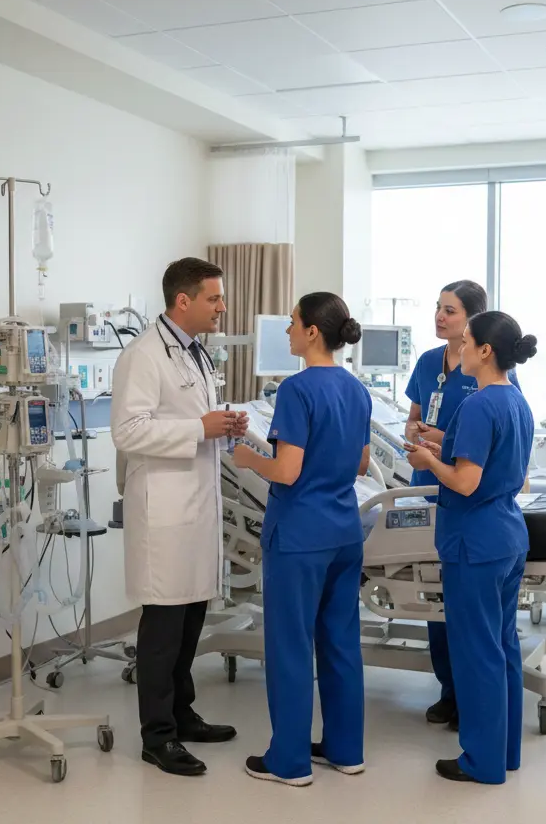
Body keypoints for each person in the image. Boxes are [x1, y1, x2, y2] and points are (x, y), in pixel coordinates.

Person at [111, 257, 249, 777]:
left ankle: (182, 712)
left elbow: (191, 419)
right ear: (183, 301)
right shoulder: (144, 355)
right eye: (214, 298)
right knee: (163, 628)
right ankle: (157, 735)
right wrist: (199, 427)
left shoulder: (193, 354)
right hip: (164, 511)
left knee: (191, 619)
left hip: (195, 508)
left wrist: (221, 424)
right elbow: (128, 432)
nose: (223, 306)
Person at [232, 293, 372, 787]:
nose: (288, 330)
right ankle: (345, 749)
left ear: (313, 332)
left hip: (299, 536)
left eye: (293, 322)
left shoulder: (295, 390)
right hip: (344, 532)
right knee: (339, 642)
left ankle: (289, 762)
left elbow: (286, 471)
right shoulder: (357, 390)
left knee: (291, 646)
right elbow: (359, 464)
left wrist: (249, 459)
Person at [404, 311, 536, 785]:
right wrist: (441, 448)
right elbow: (509, 471)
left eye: (466, 341)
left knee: (477, 652)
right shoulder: (515, 401)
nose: (457, 347)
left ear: (484, 351)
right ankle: (505, 752)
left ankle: (480, 762)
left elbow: (464, 480)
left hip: (474, 542)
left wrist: (424, 460)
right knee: (502, 646)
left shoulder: (479, 405)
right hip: (505, 536)